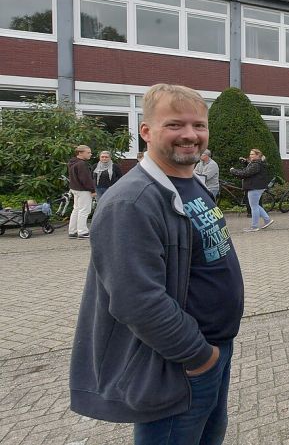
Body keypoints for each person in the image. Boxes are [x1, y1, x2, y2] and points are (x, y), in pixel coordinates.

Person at [69, 83, 243, 445]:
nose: (190, 135)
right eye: (175, 125)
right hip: (177, 363)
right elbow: (137, 300)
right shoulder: (133, 202)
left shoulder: (189, 182)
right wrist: (198, 356)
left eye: (199, 125)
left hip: (212, 351)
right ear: (146, 131)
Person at [230, 148, 273, 232]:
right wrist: (246, 162)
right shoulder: (257, 163)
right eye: (250, 154)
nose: (250, 156)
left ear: (258, 155)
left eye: (252, 154)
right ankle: (267, 220)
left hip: (254, 187)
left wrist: (233, 171)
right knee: (256, 205)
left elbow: (245, 173)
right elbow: (250, 169)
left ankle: (254, 226)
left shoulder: (256, 164)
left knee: (254, 207)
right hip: (257, 187)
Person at [67, 144, 96, 239]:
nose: (90, 154)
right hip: (83, 190)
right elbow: (86, 179)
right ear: (80, 153)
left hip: (75, 188)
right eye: (88, 152)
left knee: (76, 210)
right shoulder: (82, 164)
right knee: (84, 211)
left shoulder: (72, 162)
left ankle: (72, 231)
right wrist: (92, 190)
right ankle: (82, 232)